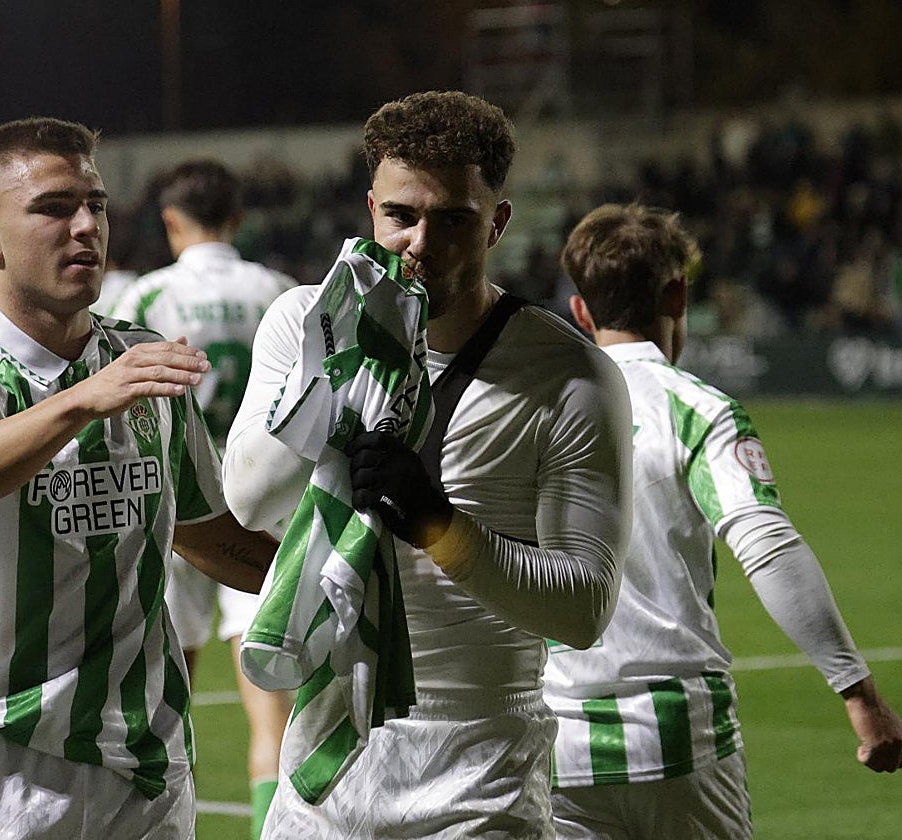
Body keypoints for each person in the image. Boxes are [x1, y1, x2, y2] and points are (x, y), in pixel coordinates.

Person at [222, 90, 633, 838]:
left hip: (479, 777)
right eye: (400, 216)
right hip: (324, 772)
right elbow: (250, 500)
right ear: (370, 210)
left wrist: (439, 524)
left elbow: (584, 609)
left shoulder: (569, 374)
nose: (419, 243)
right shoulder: (303, 323)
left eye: (452, 220)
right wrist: (341, 367)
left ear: (497, 224)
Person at [0, 116, 278, 840]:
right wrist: (81, 399)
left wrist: (336, 576)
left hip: (148, 763)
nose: (85, 227)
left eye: (95, 205)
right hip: (1, 765)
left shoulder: (142, 361)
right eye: (53, 208)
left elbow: (205, 535)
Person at [552, 202, 902, 839]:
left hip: (558, 745)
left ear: (581, 310)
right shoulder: (697, 410)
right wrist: (859, 693)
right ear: (678, 296)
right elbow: (768, 547)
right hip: (679, 740)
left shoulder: (533, 412)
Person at [110, 159, 296, 839]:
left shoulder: (145, 297)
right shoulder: (279, 292)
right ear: (237, 218)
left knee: (164, 710)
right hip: (262, 505)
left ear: (170, 221)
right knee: (273, 720)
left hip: (175, 506)